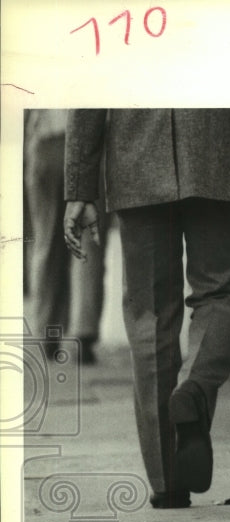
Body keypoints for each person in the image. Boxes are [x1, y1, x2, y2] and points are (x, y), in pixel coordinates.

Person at [63, 109, 230, 508]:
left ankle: (167, 481)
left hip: (136, 150)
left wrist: (80, 187)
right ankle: (194, 386)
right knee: (221, 293)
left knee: (149, 314)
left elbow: (87, 84)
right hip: (221, 147)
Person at [24, 109, 106, 363]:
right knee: (87, 242)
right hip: (88, 145)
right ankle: (83, 333)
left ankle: (47, 332)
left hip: (45, 139)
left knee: (47, 243)